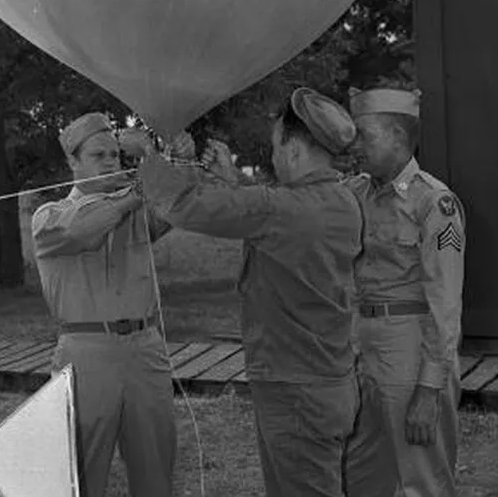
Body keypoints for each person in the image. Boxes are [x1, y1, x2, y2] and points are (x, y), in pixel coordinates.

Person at [138, 88, 363, 497]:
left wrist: (146, 156)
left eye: (276, 147)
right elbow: (271, 213)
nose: (273, 157)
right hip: (323, 383)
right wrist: (233, 180)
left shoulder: (282, 209)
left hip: (297, 391)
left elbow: (183, 205)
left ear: (294, 150)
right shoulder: (340, 200)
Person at [31, 113, 177, 497]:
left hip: (145, 350)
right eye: (99, 155)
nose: (111, 162)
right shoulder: (48, 216)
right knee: (81, 472)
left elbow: (178, 206)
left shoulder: (136, 211)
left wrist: (172, 163)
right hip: (86, 355)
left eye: (115, 155)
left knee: (156, 469)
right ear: (73, 163)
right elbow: (82, 230)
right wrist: (134, 195)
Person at [343, 87, 465, 497]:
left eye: (364, 135)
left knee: (423, 477)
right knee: (359, 473)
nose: (354, 146)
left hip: (411, 348)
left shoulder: (434, 202)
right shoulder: (354, 194)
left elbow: (445, 303)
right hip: (362, 345)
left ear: (397, 136)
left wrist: (429, 390)